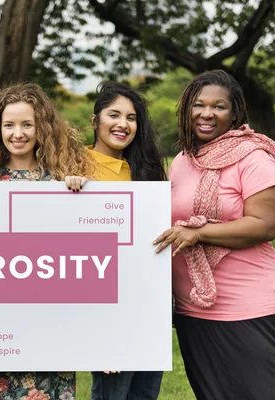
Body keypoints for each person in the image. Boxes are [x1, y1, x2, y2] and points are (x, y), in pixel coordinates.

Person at [154, 70, 275, 400]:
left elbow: (264, 225)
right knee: (215, 393)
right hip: (194, 304)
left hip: (247, 299)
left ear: (235, 113)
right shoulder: (182, 160)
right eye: (198, 105)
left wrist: (200, 233)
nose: (206, 113)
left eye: (218, 106)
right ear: (186, 109)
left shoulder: (254, 158)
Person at [0, 82, 95, 399]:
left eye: (26, 125)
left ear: (41, 128)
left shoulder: (61, 182)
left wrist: (82, 194)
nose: (17, 133)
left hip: (50, 320)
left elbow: (82, 247)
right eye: (9, 125)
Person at [81, 82, 166, 400]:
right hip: (105, 307)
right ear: (95, 121)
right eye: (113, 114)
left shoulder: (146, 170)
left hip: (147, 303)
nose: (122, 124)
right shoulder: (75, 167)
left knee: (144, 394)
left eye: (131, 118)